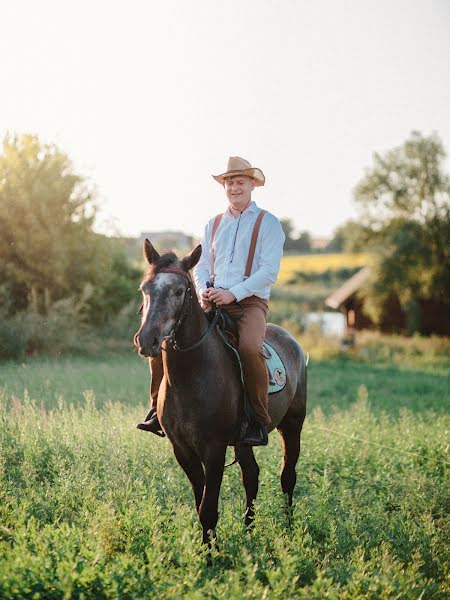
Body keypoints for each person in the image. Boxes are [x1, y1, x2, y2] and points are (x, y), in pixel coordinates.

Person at [137, 156, 285, 445]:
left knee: (249, 348)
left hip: (249, 304)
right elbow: (201, 265)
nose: (234, 188)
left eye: (240, 182)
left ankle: (257, 419)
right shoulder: (213, 224)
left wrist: (234, 293)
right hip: (212, 301)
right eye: (229, 182)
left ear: (252, 184)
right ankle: (158, 409)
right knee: (164, 343)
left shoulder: (268, 223)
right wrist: (205, 289)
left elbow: (269, 271)